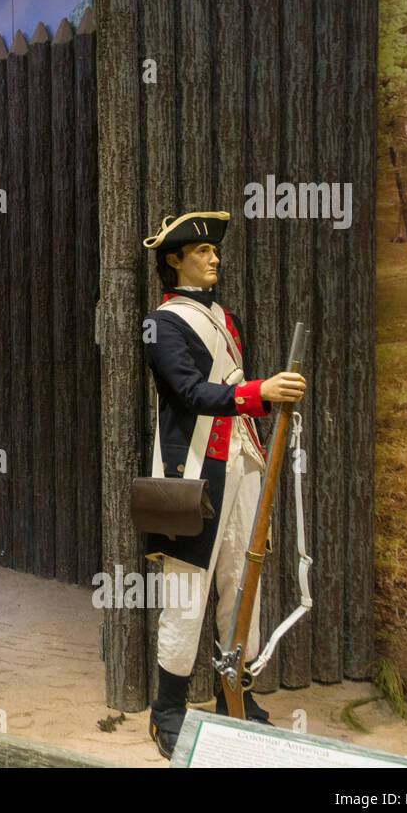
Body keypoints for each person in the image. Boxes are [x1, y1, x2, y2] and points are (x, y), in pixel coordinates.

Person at [140, 210, 306, 759]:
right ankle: (168, 710)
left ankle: (237, 695)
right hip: (194, 471)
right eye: (201, 252)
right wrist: (261, 392)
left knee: (242, 577)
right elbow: (189, 393)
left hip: (242, 460)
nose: (215, 259)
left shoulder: (224, 318)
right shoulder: (162, 324)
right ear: (174, 260)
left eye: (215, 252)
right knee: (187, 589)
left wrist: (257, 400)